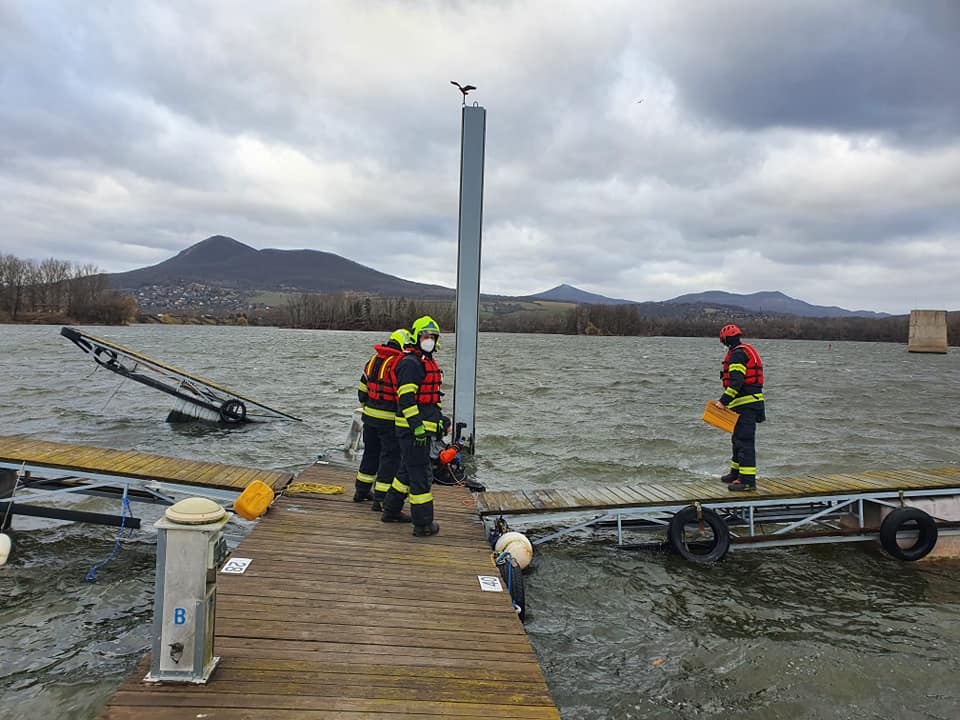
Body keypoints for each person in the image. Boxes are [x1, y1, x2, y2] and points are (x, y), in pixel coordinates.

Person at [381, 315, 444, 536]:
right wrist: (416, 426)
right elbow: (406, 399)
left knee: (407, 471)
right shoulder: (411, 363)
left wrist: (439, 422)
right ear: (416, 338)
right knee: (421, 475)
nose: (429, 340)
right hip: (412, 430)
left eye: (433, 337)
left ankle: (391, 510)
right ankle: (423, 524)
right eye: (426, 336)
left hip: (419, 429)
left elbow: (429, 401)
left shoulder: (423, 361)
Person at [353, 328, 411, 510]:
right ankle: (381, 498)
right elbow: (402, 395)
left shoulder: (372, 361)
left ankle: (361, 491)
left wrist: (369, 405)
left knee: (370, 453)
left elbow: (362, 391)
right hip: (389, 420)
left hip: (369, 417)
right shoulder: (399, 364)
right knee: (390, 458)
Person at [714, 323, 765, 491]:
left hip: (746, 405)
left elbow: (736, 382)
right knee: (737, 440)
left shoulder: (737, 355)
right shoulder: (743, 351)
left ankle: (748, 481)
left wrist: (722, 402)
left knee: (745, 441)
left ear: (726, 340)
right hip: (746, 404)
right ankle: (735, 473)